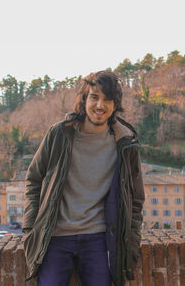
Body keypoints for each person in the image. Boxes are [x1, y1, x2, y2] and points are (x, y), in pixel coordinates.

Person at [22, 71, 145, 286]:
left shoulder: (125, 144)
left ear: (115, 105)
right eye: (94, 97)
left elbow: (136, 198)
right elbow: (34, 179)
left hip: (99, 239)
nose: (100, 105)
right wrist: (30, 229)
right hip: (56, 236)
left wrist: (132, 240)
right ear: (84, 99)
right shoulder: (60, 134)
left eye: (108, 99)